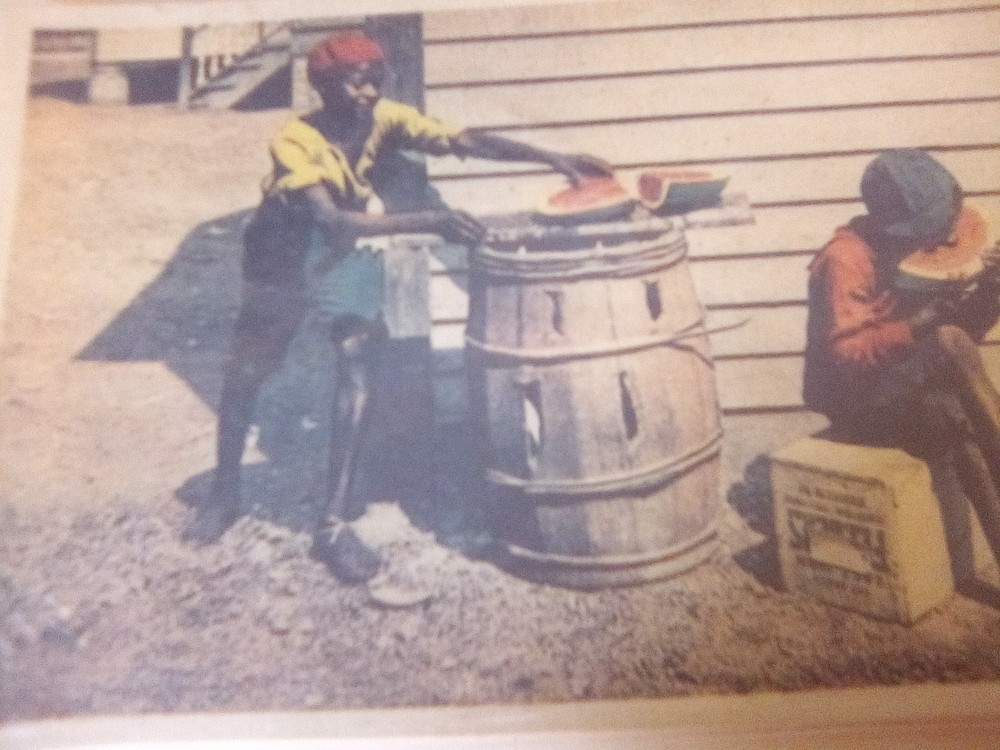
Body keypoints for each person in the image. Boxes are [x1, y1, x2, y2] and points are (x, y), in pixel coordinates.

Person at [188, 31, 611, 584]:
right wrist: (430, 222)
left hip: (344, 245)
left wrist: (552, 158)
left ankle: (333, 525)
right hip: (282, 250)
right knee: (249, 368)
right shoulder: (294, 139)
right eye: (351, 81)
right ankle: (223, 494)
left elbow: (465, 140)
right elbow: (332, 219)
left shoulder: (385, 116)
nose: (365, 91)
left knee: (358, 361)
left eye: (373, 79)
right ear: (322, 86)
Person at [803, 148, 1000, 576]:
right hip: (857, 400)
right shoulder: (846, 258)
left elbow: (969, 336)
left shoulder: (907, 248)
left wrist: (992, 291)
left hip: (908, 383)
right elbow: (845, 355)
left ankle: (968, 565)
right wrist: (924, 321)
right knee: (947, 350)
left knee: (953, 412)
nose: (943, 240)